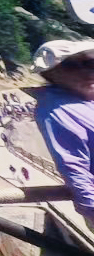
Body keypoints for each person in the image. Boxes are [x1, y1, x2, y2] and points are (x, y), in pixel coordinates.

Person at [34, 39, 94, 230]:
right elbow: (74, 168)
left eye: (91, 63)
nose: (87, 71)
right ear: (51, 73)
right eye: (72, 65)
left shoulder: (84, 98)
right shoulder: (58, 111)